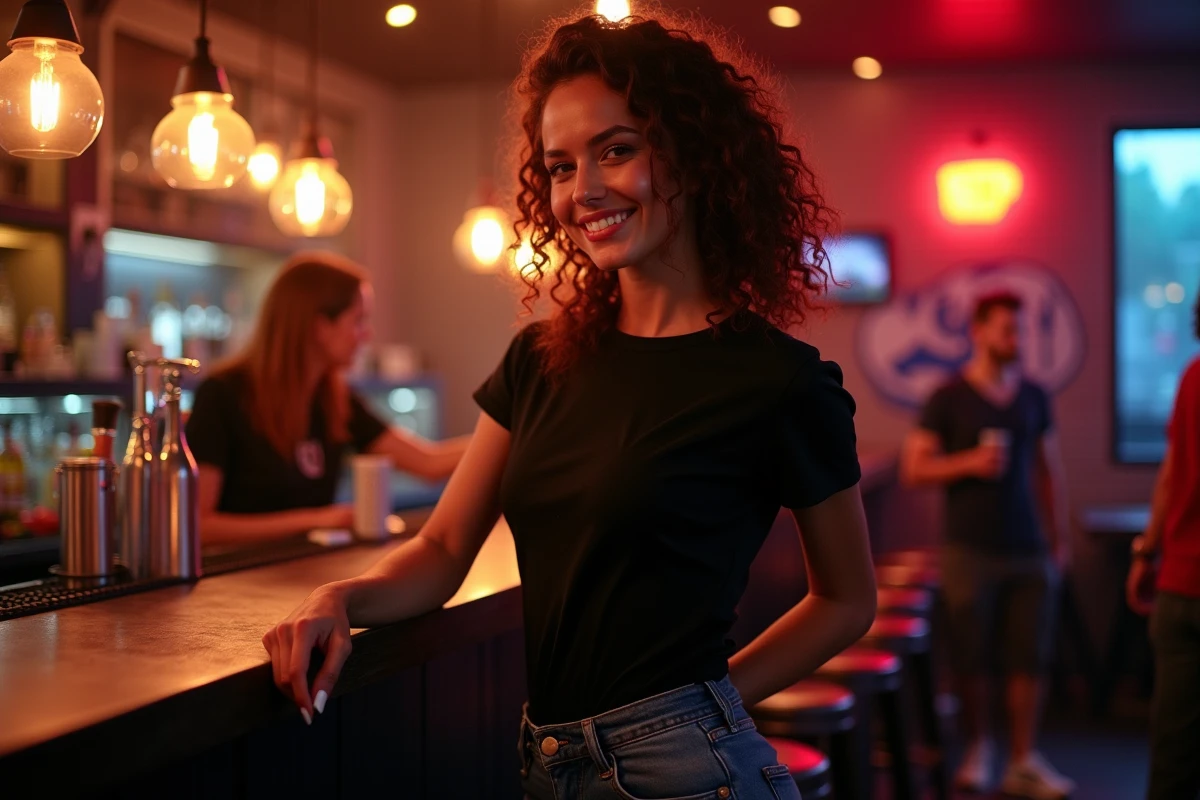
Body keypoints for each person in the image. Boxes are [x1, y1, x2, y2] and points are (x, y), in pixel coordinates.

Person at [262, 14, 877, 799]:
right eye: (559, 166)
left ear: (693, 154)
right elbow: (442, 548)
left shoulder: (779, 381)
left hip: (689, 773)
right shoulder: (539, 360)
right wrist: (338, 598)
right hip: (546, 762)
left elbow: (846, 600)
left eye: (616, 150)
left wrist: (705, 708)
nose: (581, 191)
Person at [901, 291, 1075, 799]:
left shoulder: (1034, 395)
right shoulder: (948, 396)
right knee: (969, 654)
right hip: (967, 548)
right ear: (977, 332)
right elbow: (914, 469)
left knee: (1029, 657)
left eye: (1020, 329)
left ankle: (1023, 758)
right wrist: (969, 463)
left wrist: (1058, 539)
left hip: (1028, 546)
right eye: (1006, 329)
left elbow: (1048, 469)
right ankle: (980, 748)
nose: (1016, 339)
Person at [185, 251, 470, 547]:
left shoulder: (335, 399)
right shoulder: (223, 394)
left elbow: (428, 463)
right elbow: (199, 525)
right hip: (238, 572)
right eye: (358, 321)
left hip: (307, 567)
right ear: (320, 327)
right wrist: (317, 519)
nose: (367, 334)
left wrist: (498, 432)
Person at [1126, 295, 1200, 800]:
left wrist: (1146, 553)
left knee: (1173, 757)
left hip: (1179, 586)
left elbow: (1171, 474)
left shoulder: (1193, 375)